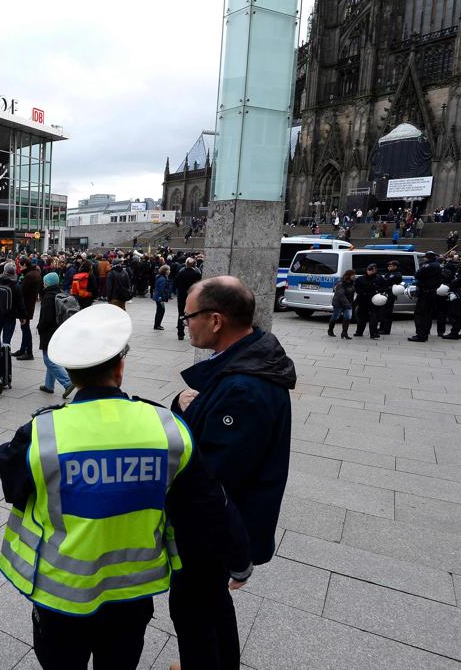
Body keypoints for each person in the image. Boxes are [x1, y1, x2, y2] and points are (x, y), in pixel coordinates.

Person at [0, 303, 252, 670]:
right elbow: (210, 503)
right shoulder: (166, 427)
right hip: (132, 594)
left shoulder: (40, 432)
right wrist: (239, 558)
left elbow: (13, 487)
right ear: (120, 367)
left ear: (70, 374)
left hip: (61, 598)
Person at [170, 276, 296, 670]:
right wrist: (186, 406)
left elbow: (213, 475)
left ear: (216, 320)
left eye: (188, 315)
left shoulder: (243, 388)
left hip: (214, 528)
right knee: (210, 603)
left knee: (193, 609)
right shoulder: (245, 361)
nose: (185, 323)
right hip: (223, 523)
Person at [35, 271, 74, 398]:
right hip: (59, 330)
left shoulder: (48, 296)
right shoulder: (60, 293)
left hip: (49, 331)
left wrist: (39, 327)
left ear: (47, 283)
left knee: (49, 360)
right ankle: (49, 385)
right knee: (52, 357)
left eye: (45, 281)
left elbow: (46, 318)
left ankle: (67, 382)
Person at [409, 251, 442, 342]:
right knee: (428, 314)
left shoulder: (427, 265)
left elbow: (417, 275)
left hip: (425, 292)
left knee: (420, 314)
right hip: (433, 292)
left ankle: (420, 335)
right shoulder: (438, 265)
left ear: (427, 258)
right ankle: (425, 332)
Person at [0, 262, 27, 348]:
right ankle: (5, 356)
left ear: (4, 271)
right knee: (7, 339)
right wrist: (22, 316)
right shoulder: (16, 286)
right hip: (10, 315)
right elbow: (20, 303)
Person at [14, 257, 41, 359]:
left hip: (26, 305)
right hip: (29, 305)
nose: (19, 267)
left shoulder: (29, 275)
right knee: (24, 327)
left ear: (25, 264)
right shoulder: (34, 273)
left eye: (20, 265)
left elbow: (21, 291)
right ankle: (23, 349)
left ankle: (28, 352)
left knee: (25, 328)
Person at [352, 263, 383, 339]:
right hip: (363, 300)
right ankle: (359, 332)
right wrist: (364, 293)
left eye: (373, 270)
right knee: (361, 317)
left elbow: (384, 287)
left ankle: (374, 334)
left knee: (374, 318)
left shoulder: (379, 278)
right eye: (370, 270)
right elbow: (357, 288)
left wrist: (379, 292)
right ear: (367, 270)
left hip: (375, 300)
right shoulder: (360, 279)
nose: (371, 271)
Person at [174, 257, 202, 341]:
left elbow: (175, 283)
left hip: (182, 296)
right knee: (193, 315)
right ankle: (192, 334)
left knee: (181, 314)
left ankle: (180, 333)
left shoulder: (181, 273)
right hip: (192, 297)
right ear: (194, 265)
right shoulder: (197, 274)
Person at [329, 270, 356, 339]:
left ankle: (344, 333)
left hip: (348, 303)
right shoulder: (341, 283)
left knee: (348, 317)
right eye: (353, 275)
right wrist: (348, 304)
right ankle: (330, 330)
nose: (354, 276)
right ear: (348, 275)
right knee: (336, 316)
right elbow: (341, 295)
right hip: (339, 303)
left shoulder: (352, 283)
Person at [378, 260, 403, 335]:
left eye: (390, 266)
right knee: (382, 311)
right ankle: (381, 327)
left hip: (390, 294)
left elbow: (388, 282)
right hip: (385, 293)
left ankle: (386, 330)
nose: (388, 267)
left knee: (387, 313)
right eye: (388, 266)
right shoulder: (388, 273)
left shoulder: (397, 274)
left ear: (395, 266)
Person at [153, 265, 171, 330]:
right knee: (161, 311)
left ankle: (157, 325)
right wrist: (161, 298)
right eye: (168, 270)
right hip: (159, 297)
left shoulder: (161, 277)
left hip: (158, 297)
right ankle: (157, 325)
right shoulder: (163, 279)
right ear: (165, 271)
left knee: (159, 311)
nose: (169, 271)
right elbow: (161, 289)